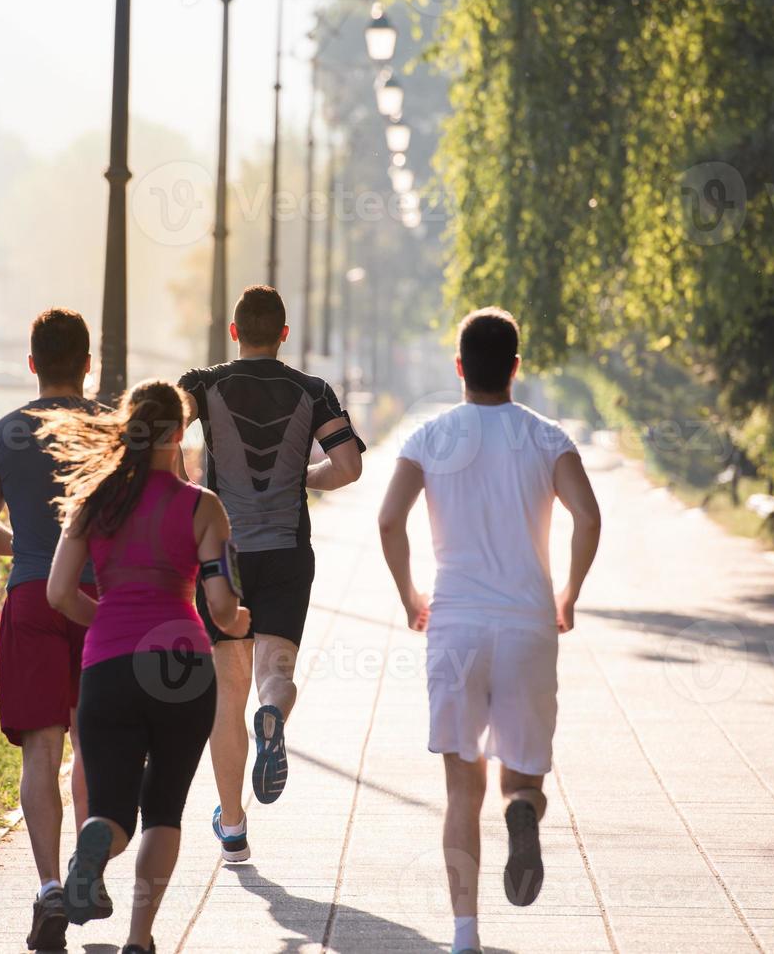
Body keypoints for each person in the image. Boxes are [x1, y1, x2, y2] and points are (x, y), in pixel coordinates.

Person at [377, 307, 601, 954]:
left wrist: (408, 597)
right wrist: (568, 595)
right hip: (527, 623)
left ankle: (464, 934)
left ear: (457, 369)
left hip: (455, 624)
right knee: (522, 776)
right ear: (514, 369)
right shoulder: (545, 438)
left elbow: (389, 522)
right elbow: (587, 518)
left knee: (459, 784)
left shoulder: (430, 437)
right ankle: (522, 812)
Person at [42, 380, 251, 954]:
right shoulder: (202, 505)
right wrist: (239, 621)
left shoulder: (93, 502)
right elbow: (222, 608)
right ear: (181, 432)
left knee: (112, 808)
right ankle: (139, 938)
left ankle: (94, 840)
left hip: (108, 665)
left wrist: (108, 620)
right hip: (182, 666)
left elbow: (60, 593)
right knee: (164, 808)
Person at [178, 285, 365, 863]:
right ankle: (273, 716)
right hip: (287, 551)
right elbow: (350, 466)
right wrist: (301, 479)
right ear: (284, 334)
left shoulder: (200, 386)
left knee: (225, 691)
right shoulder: (312, 390)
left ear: (234, 331)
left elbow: (156, 440)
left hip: (221, 553)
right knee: (275, 670)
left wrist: (187, 492)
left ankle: (232, 826)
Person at [0, 308, 101, 952]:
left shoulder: (2, 433)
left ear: (32, 363)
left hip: (31, 596)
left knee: (40, 750)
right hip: (102, 601)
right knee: (93, 742)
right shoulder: (112, 431)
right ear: (88, 363)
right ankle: (86, 869)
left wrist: (29, 552)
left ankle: (48, 889)